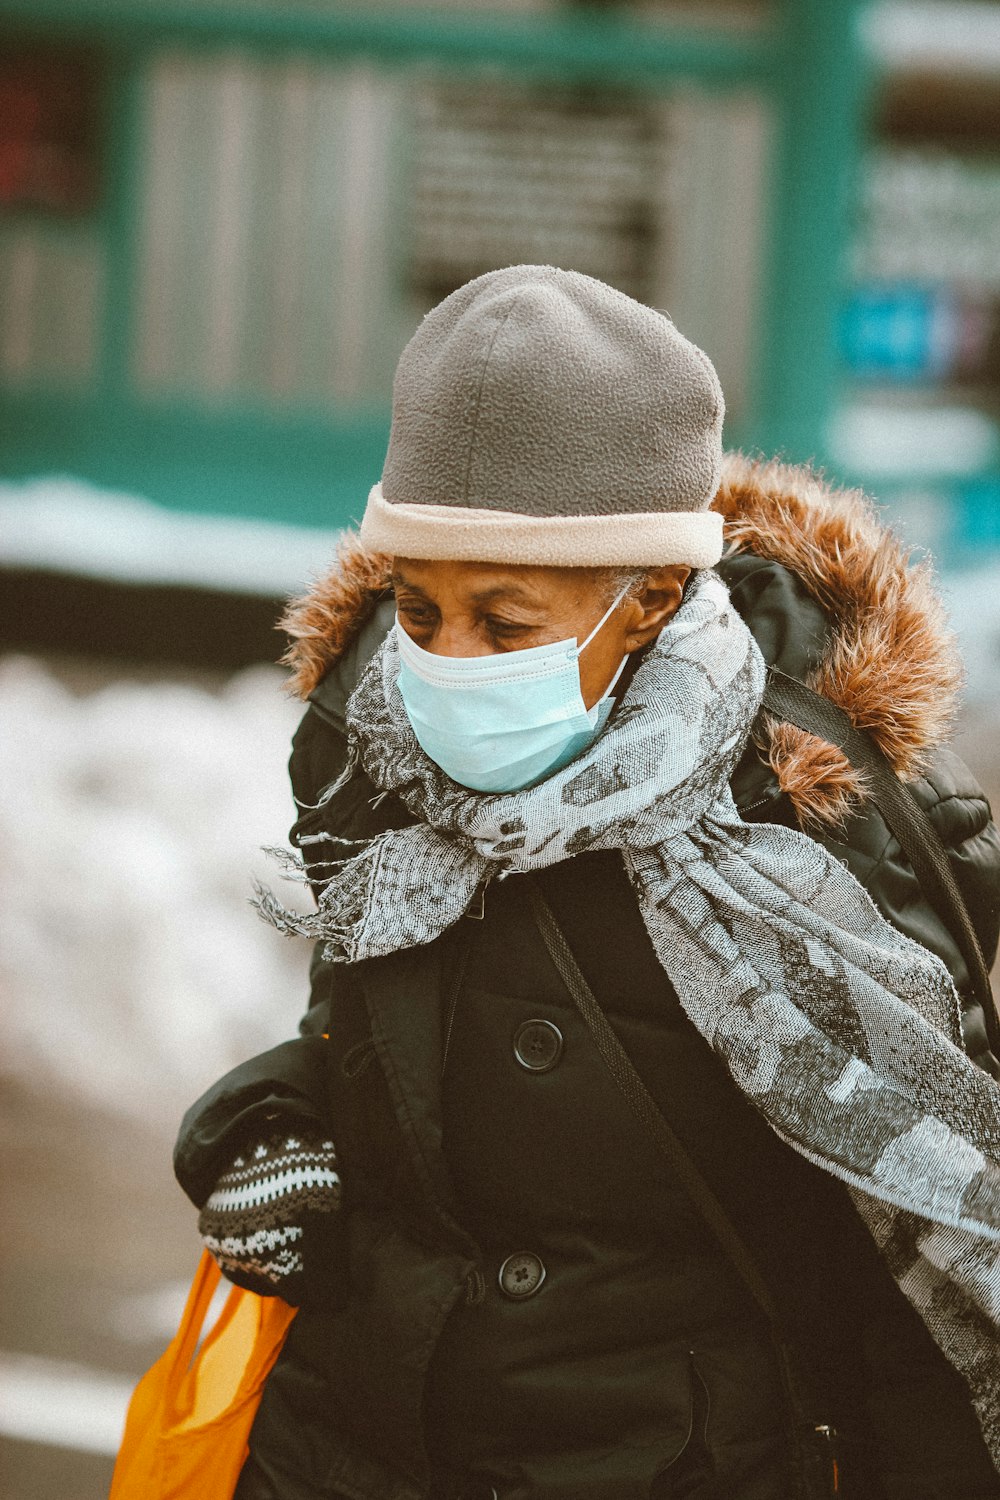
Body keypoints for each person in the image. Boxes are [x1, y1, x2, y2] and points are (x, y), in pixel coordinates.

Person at [174, 265, 1000, 1500]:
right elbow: (364, 1043)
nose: (445, 661)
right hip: (351, 1451)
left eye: (505, 625)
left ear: (650, 595)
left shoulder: (805, 828)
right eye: (417, 607)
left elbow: (907, 1247)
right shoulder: (372, 764)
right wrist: (263, 1127)